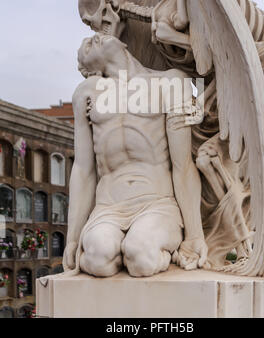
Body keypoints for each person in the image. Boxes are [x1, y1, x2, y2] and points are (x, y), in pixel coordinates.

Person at [63, 32, 208, 277]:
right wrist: (73, 238)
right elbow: (83, 169)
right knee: (97, 258)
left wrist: (194, 235)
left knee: (141, 256)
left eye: (96, 36)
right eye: (85, 47)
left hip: (157, 204)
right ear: (89, 69)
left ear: (123, 41)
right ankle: (116, 251)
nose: (91, 39)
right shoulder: (86, 94)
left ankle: (158, 252)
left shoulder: (172, 83)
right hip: (108, 207)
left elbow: (182, 164)